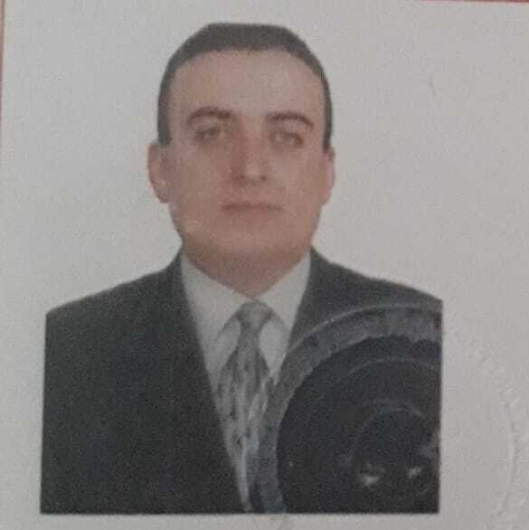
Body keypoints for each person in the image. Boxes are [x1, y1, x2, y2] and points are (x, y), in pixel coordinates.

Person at [40, 22, 441, 514]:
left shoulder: (420, 340)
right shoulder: (67, 354)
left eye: (286, 137)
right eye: (211, 134)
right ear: (161, 169)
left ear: (326, 172)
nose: (250, 169)